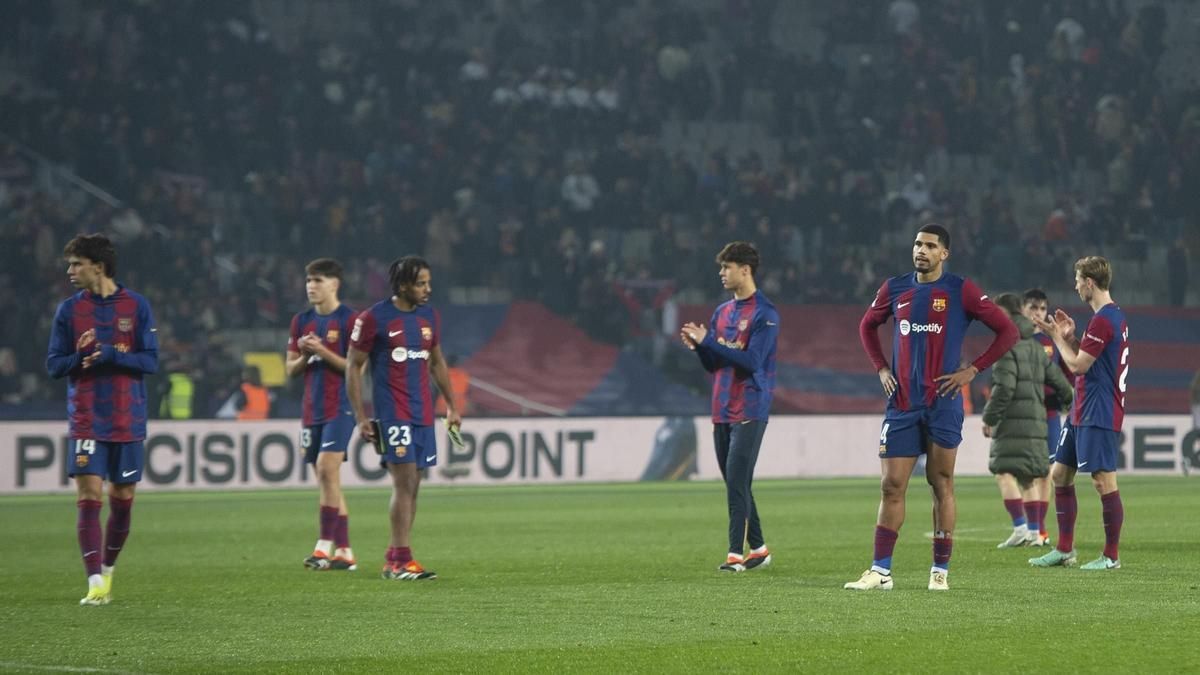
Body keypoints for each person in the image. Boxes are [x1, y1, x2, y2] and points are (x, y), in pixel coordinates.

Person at [845, 224, 1018, 591]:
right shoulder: (895, 288)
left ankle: (939, 571)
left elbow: (1008, 331)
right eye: (917, 244)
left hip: (943, 404)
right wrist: (880, 367)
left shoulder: (960, 290)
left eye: (929, 246)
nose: (920, 250)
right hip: (903, 404)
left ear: (944, 254)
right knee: (891, 486)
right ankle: (881, 571)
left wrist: (974, 370)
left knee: (941, 483)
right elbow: (866, 326)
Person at [45, 234, 159, 605]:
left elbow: (150, 361)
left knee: (122, 498)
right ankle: (94, 582)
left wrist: (110, 353)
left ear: (99, 266)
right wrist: (80, 357)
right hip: (87, 417)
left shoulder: (137, 306)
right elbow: (53, 365)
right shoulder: (69, 311)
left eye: (76, 263)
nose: (70, 271)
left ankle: (108, 570)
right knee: (89, 495)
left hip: (127, 418)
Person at [346, 256, 462, 581]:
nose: (428, 289)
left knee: (415, 486)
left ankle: (395, 556)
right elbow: (354, 366)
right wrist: (360, 415)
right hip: (391, 412)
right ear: (402, 285)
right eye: (421, 283)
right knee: (405, 481)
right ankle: (400, 561)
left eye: (428, 282)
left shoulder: (429, 317)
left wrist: (451, 406)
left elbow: (437, 362)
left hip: (422, 412)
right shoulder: (374, 318)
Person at [680, 241, 779, 572]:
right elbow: (714, 365)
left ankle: (735, 555)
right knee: (736, 482)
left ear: (745, 270)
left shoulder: (766, 314)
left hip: (750, 406)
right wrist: (700, 348)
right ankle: (760, 549)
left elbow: (752, 361)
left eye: (726, 267)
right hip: (721, 407)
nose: (721, 273)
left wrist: (709, 341)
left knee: (737, 480)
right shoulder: (721, 313)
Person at [1030, 256, 1129, 570]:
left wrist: (1057, 339)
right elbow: (1089, 360)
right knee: (1060, 474)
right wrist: (1071, 338)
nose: (1075, 286)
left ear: (1089, 282)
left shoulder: (1104, 320)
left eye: (1077, 281)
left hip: (1099, 409)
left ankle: (1111, 556)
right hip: (1081, 407)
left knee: (1103, 480)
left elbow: (1077, 365)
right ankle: (1064, 550)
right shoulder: (1107, 318)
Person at [981, 293, 1074, 548]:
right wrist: (1071, 401)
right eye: (1034, 307)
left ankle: (1027, 529)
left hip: (1019, 417)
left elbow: (1005, 387)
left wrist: (990, 416)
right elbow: (1060, 379)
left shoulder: (1008, 344)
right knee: (1031, 475)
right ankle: (1035, 532)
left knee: (1006, 471)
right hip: (1038, 416)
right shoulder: (1033, 345)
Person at [286, 258, 358, 571]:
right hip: (311, 409)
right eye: (309, 281)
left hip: (341, 405)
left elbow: (356, 367)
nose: (311, 286)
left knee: (326, 468)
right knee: (327, 478)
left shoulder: (351, 320)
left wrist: (322, 351)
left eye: (318, 280)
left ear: (334, 284)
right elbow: (289, 369)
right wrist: (304, 354)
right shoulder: (300, 321)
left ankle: (323, 545)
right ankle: (344, 551)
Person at [1019, 287, 1074, 544]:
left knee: (1046, 472)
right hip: (1023, 415)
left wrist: (1068, 397)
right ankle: (1031, 528)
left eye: (1042, 308)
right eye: (1033, 308)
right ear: (1023, 310)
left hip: (1050, 413)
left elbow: (1068, 372)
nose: (1038, 313)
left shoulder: (1052, 341)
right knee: (1027, 472)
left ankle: (1038, 530)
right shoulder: (1015, 339)